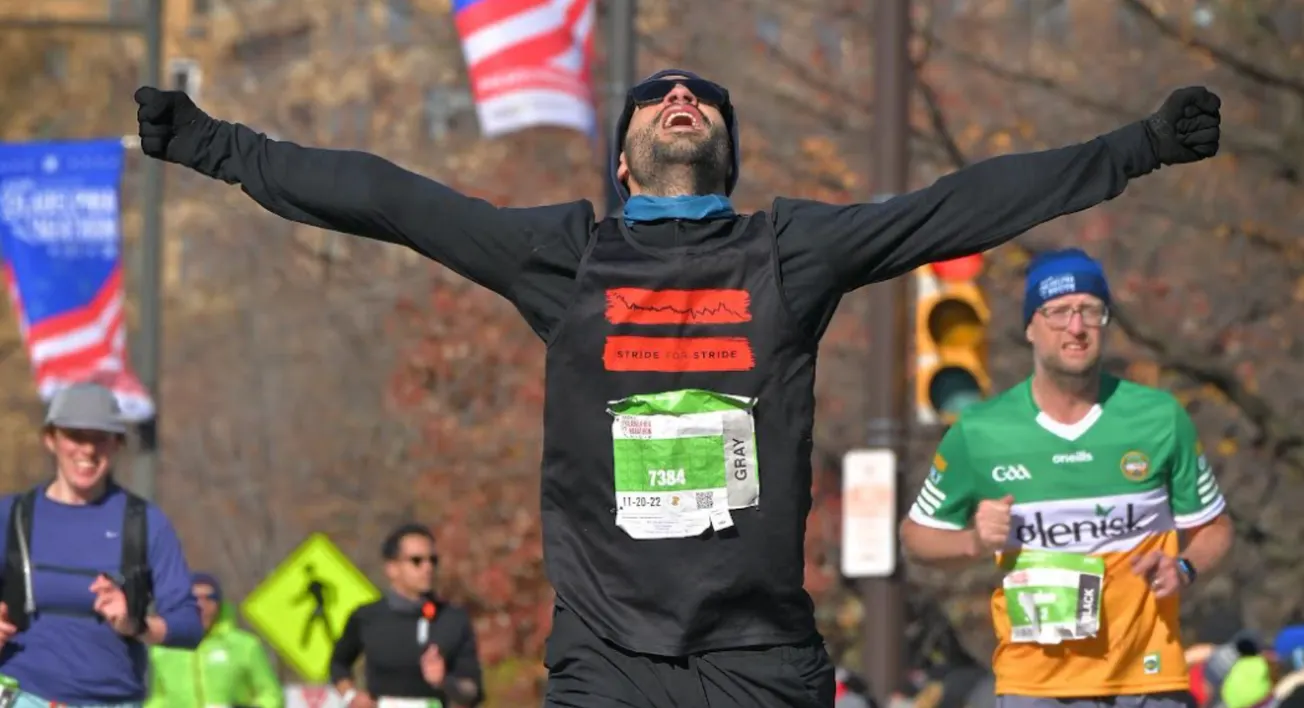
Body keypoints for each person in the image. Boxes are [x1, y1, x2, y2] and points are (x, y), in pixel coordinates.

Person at [131, 68, 1222, 707]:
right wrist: (220, 147)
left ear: (727, 154)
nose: (680, 96)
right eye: (655, 97)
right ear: (622, 160)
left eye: (699, 96)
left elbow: (962, 204)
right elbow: (388, 198)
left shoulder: (784, 254)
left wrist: (1133, 148)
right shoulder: (567, 259)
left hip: (758, 654)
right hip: (608, 657)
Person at [900, 250, 1235, 708]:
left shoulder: (1159, 418)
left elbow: (1214, 527)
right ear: (1030, 327)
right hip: (1037, 686)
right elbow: (917, 536)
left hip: (1146, 679)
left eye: (1090, 311)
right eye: (1057, 312)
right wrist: (973, 542)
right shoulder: (981, 432)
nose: (1075, 327)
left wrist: (1183, 567)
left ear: (1104, 321)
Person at [0, 383, 203, 707]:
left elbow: (189, 625)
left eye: (100, 438)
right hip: (23, 697)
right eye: (75, 436)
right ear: (50, 439)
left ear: (117, 444)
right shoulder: (10, 516)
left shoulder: (144, 522)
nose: (87, 450)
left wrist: (135, 624)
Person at [330, 523, 482, 708]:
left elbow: (472, 692)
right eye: (417, 560)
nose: (427, 568)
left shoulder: (453, 618)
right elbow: (338, 664)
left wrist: (444, 681)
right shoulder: (368, 617)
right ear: (392, 568)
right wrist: (351, 696)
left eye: (432, 560)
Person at [145, 572, 284, 708]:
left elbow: (272, 696)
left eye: (209, 598)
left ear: (219, 604)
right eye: (194, 598)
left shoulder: (245, 646)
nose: (201, 605)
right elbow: (159, 699)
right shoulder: (163, 651)